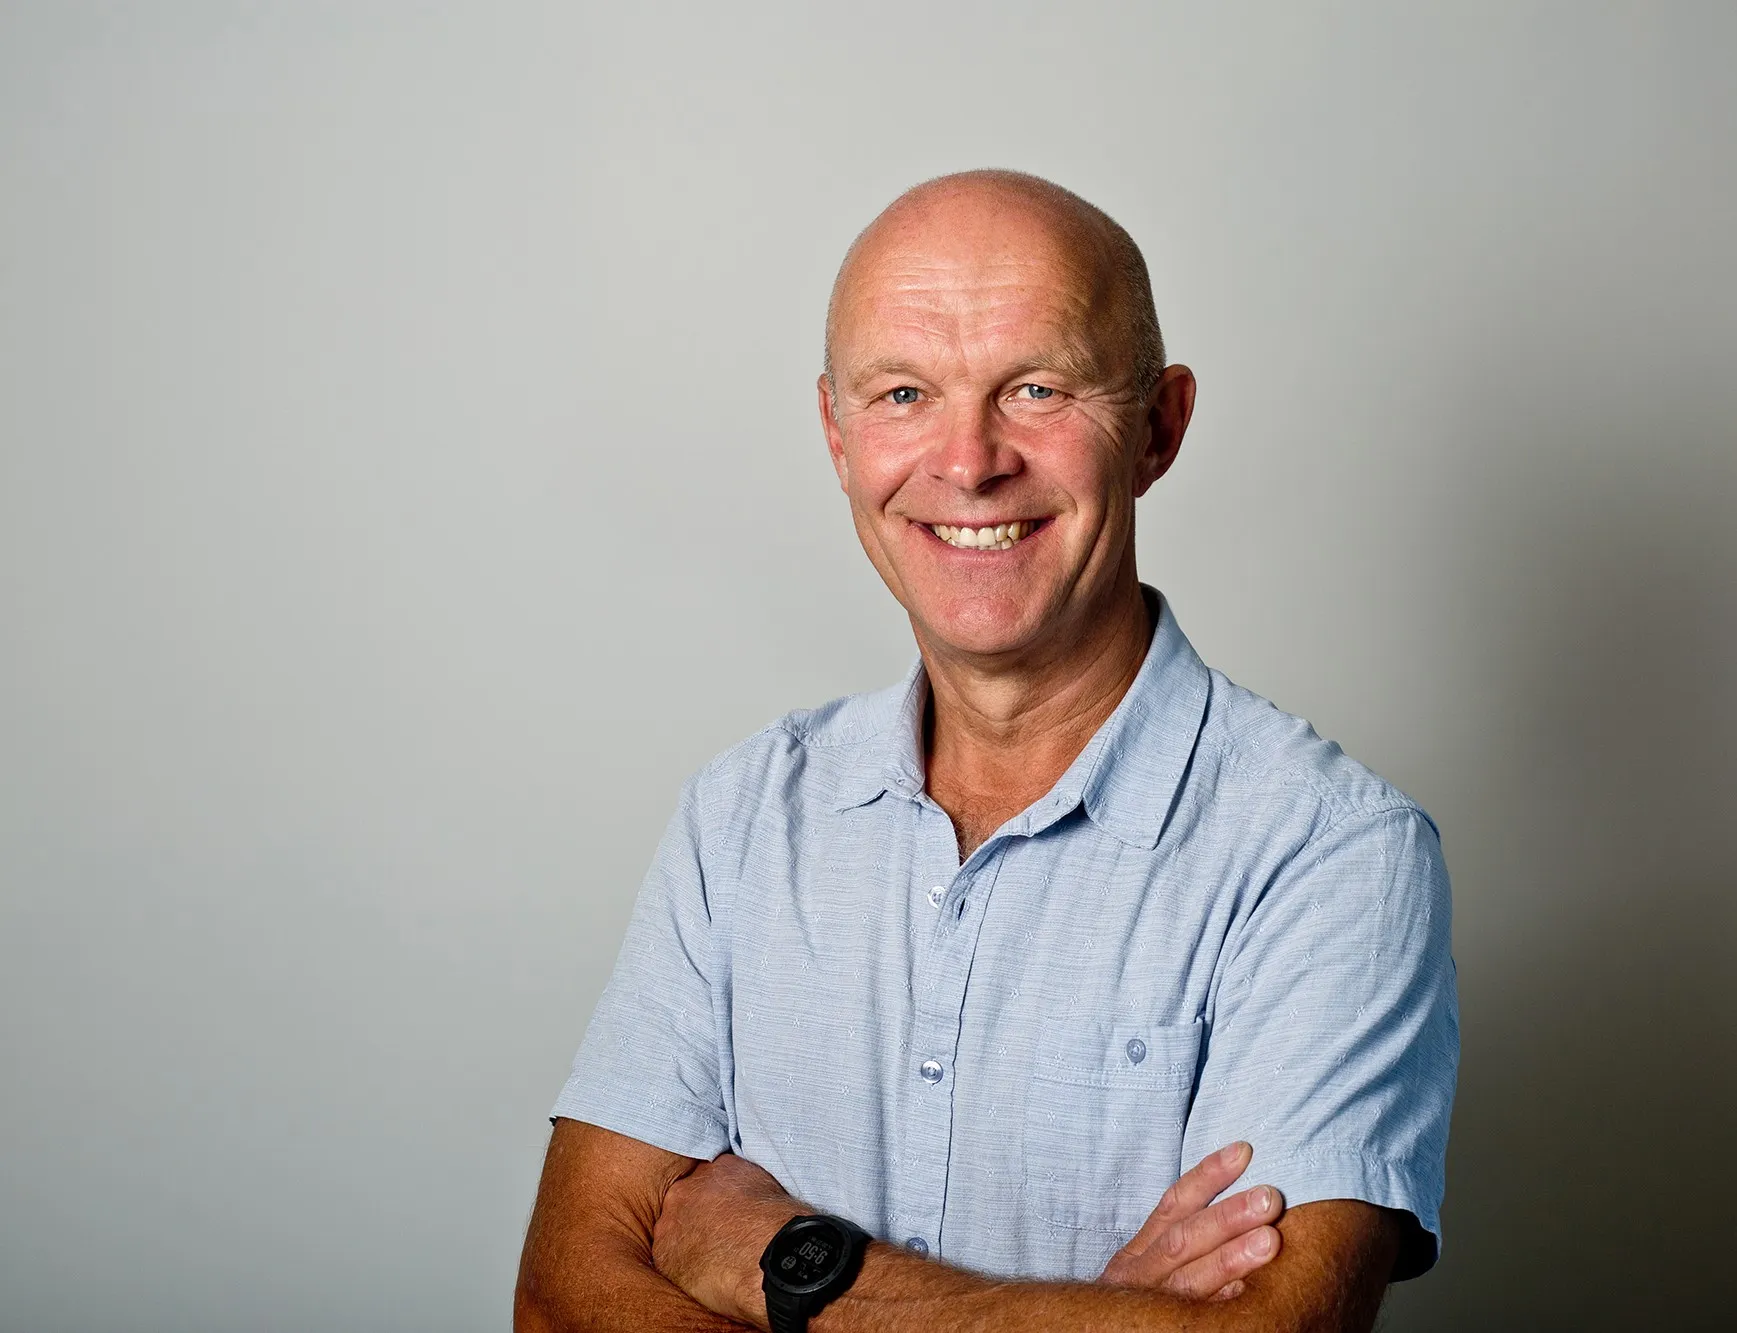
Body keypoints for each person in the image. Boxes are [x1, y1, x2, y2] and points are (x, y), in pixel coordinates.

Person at [516, 170, 1458, 1333]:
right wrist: (1095, 1316)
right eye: (903, 393)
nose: (967, 462)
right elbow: (559, 1304)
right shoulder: (742, 817)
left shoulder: (1332, 859)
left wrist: (792, 1269)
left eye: (1035, 388)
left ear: (1157, 427)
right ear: (837, 435)